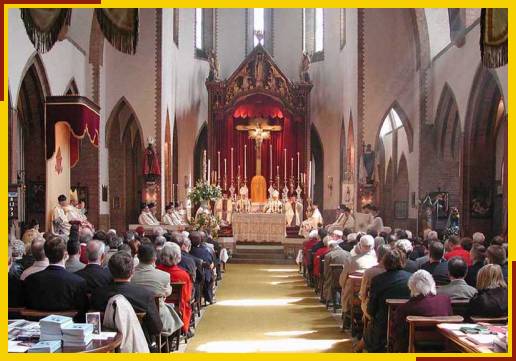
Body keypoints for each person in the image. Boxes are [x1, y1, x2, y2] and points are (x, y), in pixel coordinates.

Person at [91, 251, 162, 341]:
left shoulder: (98, 294)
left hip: (107, 342)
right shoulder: (145, 295)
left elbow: (93, 324)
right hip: (138, 342)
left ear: (110, 271)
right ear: (133, 271)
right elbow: (156, 328)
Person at [23, 237, 88, 317]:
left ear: (46, 254)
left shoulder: (30, 280)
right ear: (65, 255)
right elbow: (83, 312)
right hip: (69, 326)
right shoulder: (78, 282)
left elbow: (26, 305)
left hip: (37, 324)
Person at [362, 248, 411, 352]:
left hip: (383, 326)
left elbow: (371, 309)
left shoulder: (377, 280)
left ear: (385, 262)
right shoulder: (411, 278)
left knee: (371, 329)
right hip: (406, 325)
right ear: (402, 261)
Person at [392, 270, 452, 352]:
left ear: (411, 287)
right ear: (432, 284)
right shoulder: (445, 300)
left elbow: (397, 334)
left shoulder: (404, 308)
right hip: (443, 347)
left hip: (414, 350)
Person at [132, 243, 183, 336]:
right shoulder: (164, 276)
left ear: (138, 257)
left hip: (134, 315)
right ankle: (166, 347)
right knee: (173, 320)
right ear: (155, 258)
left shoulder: (130, 275)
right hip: (157, 316)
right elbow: (166, 292)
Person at [157, 242, 194, 336]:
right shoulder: (183, 275)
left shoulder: (156, 271)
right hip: (177, 306)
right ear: (178, 257)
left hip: (157, 305)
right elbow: (187, 297)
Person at [340, 235, 377, 318]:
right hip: (369, 297)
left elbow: (342, 281)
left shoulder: (350, 260)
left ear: (360, 246)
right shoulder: (376, 262)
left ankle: (346, 314)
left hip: (352, 296)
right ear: (373, 246)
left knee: (345, 286)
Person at [360, 244, 390, 318]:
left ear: (377, 254)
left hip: (375, 308)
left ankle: (366, 322)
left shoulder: (369, 272)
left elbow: (363, 295)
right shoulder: (395, 271)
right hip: (393, 309)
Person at [189, 231, 215, 304]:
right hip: (201, 276)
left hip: (194, 276)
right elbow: (211, 262)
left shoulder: (187, 251)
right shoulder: (206, 250)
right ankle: (209, 297)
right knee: (209, 274)